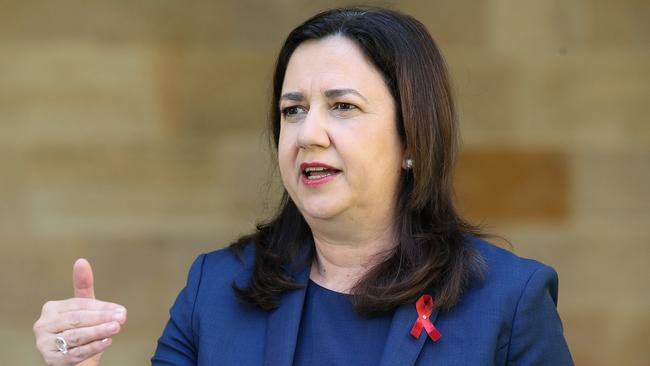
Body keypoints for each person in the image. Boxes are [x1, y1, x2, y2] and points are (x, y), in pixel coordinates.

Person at [33, 6, 574, 366]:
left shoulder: (508, 300)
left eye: (342, 107)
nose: (308, 134)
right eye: (293, 111)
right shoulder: (216, 289)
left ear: (413, 136)